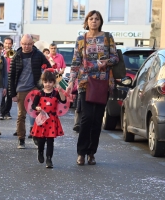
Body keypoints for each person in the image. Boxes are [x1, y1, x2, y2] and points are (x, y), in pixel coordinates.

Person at [67, 10, 119, 165]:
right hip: (85, 82)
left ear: (100, 21)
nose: (94, 21)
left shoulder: (107, 37)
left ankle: (91, 152)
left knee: (97, 120)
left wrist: (107, 62)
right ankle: (81, 152)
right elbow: (76, 61)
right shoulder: (81, 39)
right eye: (91, 18)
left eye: (97, 19)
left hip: (103, 82)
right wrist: (71, 82)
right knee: (87, 117)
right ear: (87, 21)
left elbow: (115, 57)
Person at [8, 34, 51, 149]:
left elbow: (49, 67)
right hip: (21, 89)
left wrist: (44, 80)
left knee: (38, 113)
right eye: (24, 44)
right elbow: (11, 76)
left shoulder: (38, 54)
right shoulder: (17, 56)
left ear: (33, 44)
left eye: (29, 44)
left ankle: (36, 135)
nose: (26, 46)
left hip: (35, 87)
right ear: (21, 44)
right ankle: (21, 139)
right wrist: (12, 94)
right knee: (21, 115)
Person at [31, 70, 66, 168]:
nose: (48, 84)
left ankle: (49, 159)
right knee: (41, 140)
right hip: (42, 119)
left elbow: (63, 101)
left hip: (52, 120)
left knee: (50, 141)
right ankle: (40, 152)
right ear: (42, 82)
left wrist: (60, 91)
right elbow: (33, 105)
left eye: (50, 82)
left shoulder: (55, 93)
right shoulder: (40, 93)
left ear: (54, 83)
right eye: (45, 82)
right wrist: (37, 108)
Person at [0, 37, 14, 120]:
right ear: (3, 43)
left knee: (9, 95)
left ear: (12, 44)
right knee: (1, 95)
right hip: (2, 75)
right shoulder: (0, 52)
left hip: (10, 75)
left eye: (9, 43)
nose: (7, 45)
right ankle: (1, 112)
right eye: (6, 43)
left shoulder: (13, 53)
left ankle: (7, 112)